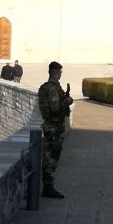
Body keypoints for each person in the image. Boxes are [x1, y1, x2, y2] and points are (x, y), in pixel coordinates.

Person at [36, 60, 73, 199]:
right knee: (52, 157)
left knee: (49, 157)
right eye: (60, 72)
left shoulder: (46, 87)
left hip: (50, 125)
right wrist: (67, 101)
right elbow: (55, 108)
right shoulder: (52, 88)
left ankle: (48, 186)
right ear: (57, 73)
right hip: (54, 127)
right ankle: (48, 187)